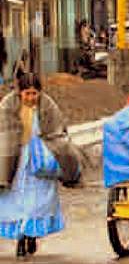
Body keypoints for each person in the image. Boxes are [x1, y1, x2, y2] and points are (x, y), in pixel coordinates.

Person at [0, 72, 81, 257]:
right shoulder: (7, 106)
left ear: (40, 92)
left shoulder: (48, 106)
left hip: (41, 163)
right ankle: (21, 239)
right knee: (17, 200)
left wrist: (58, 151)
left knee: (38, 201)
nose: (30, 98)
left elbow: (58, 132)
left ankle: (31, 236)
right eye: (26, 93)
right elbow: (4, 134)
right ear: (19, 92)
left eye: (34, 93)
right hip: (17, 164)